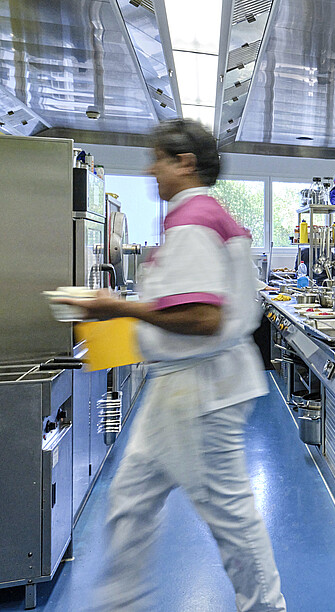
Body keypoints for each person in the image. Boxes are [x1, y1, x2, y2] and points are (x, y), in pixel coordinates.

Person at [59, 119, 287, 611]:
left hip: (199, 389)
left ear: (185, 163)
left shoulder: (193, 219)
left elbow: (203, 317)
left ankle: (266, 607)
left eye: (157, 159)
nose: (150, 170)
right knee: (130, 502)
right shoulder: (198, 216)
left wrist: (117, 307)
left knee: (230, 519)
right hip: (181, 385)